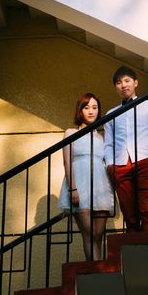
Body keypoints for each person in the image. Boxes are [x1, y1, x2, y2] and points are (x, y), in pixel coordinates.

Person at [103, 65, 148, 231]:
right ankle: (134, 244)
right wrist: (110, 165)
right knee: (128, 213)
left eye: (127, 81)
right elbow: (108, 143)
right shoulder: (111, 114)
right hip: (120, 166)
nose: (123, 85)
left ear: (135, 83)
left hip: (146, 161)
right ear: (115, 87)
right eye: (119, 82)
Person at [58, 93, 113, 261]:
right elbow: (67, 161)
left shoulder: (102, 137)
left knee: (98, 234)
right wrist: (72, 188)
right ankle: (98, 271)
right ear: (80, 110)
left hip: (101, 187)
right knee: (89, 233)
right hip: (80, 186)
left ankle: (94, 268)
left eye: (95, 108)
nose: (91, 111)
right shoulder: (70, 132)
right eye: (86, 107)